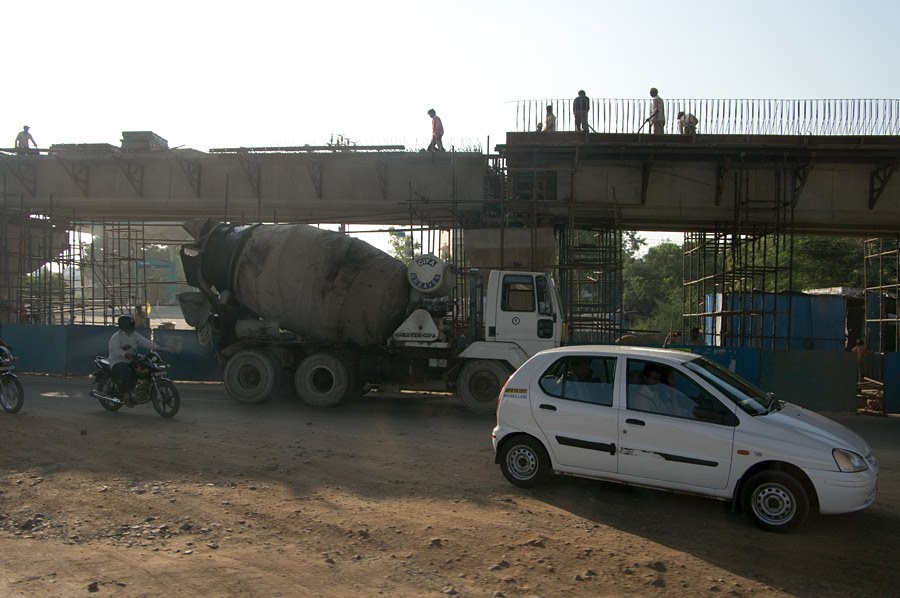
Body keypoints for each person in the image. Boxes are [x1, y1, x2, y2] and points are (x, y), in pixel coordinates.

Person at [109, 314, 159, 405]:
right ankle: (126, 394)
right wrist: (125, 354)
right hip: (118, 361)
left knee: (144, 369)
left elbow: (145, 342)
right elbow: (115, 350)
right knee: (127, 372)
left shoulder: (134, 335)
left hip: (132, 360)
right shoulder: (116, 337)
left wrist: (157, 347)